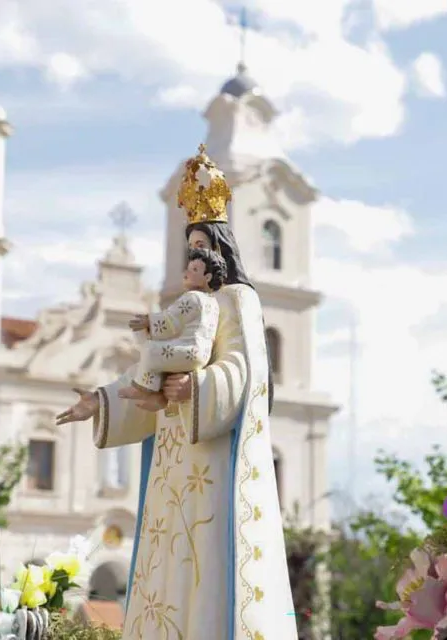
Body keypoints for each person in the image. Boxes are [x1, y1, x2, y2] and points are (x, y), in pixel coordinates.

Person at [56, 144, 297, 640]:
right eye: (189, 248)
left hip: (210, 459)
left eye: (202, 245)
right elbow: (147, 372)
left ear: (220, 251)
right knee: (166, 569)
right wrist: (100, 400)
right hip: (173, 459)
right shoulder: (185, 306)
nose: (194, 256)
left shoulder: (238, 300)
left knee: (203, 568)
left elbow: (247, 372)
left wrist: (197, 386)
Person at [117, 248, 226, 411]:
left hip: (189, 350)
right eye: (188, 268)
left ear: (207, 277)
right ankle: (158, 398)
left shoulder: (192, 297)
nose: (186, 273)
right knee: (162, 360)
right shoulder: (212, 302)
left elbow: (170, 321)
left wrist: (149, 321)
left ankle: (143, 390)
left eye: (194, 270)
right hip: (201, 353)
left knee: (150, 350)